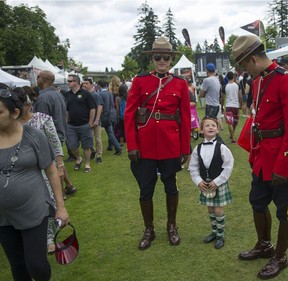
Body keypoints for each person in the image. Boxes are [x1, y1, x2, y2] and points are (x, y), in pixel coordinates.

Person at [232, 34, 288, 279]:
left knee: (285, 210)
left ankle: (280, 257)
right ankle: (264, 245)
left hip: (284, 159)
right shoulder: (258, 81)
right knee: (257, 202)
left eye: (243, 65)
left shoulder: (287, 80)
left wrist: (283, 165)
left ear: (253, 59)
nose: (244, 70)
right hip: (262, 157)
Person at [124, 37, 191, 250]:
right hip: (145, 146)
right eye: (157, 56)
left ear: (171, 59)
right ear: (153, 58)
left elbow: (185, 117)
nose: (162, 60)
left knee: (171, 186)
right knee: (146, 189)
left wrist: (185, 148)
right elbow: (129, 114)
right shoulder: (140, 81)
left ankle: (172, 226)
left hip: (170, 144)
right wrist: (132, 144)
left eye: (166, 57)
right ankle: (149, 229)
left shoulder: (180, 84)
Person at [0, 88, 69, 281]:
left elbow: (52, 171)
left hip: (33, 210)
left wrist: (60, 208)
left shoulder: (33, 136)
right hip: (3, 217)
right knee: (17, 266)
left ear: (14, 113)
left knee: (36, 264)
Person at [189, 117, 234, 249]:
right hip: (204, 184)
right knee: (210, 208)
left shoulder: (222, 148)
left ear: (218, 129)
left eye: (213, 125)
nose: (210, 127)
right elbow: (193, 167)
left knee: (219, 210)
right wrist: (198, 182)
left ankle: (220, 235)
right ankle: (214, 232)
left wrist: (218, 181)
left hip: (218, 183)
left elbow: (228, 166)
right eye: (207, 126)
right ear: (201, 130)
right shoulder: (197, 148)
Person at [34, 70, 77, 195]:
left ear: (45, 80)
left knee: (52, 165)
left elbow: (41, 122)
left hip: (50, 136)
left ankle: (61, 192)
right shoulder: (58, 94)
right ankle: (68, 185)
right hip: (60, 132)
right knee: (58, 161)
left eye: (38, 77)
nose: (36, 79)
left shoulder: (43, 97)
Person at [65, 74, 96, 173]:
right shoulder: (67, 94)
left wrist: (90, 123)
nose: (68, 83)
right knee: (71, 146)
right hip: (71, 126)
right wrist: (66, 122)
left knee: (86, 146)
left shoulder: (85, 93)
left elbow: (92, 108)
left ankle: (87, 164)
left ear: (76, 82)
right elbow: (67, 110)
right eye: (68, 81)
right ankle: (79, 158)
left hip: (84, 125)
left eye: (70, 81)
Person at [82, 78, 104, 164]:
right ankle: (93, 151)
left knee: (98, 139)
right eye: (83, 83)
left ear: (91, 84)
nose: (84, 85)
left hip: (96, 121)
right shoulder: (84, 95)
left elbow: (100, 107)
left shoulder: (95, 95)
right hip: (87, 121)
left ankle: (99, 156)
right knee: (88, 139)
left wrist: (97, 119)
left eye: (86, 83)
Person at [97, 80, 122, 155]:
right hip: (113, 114)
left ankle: (118, 148)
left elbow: (102, 106)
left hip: (107, 115)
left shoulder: (100, 94)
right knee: (111, 132)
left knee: (110, 133)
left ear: (99, 86)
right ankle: (110, 146)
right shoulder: (109, 93)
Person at [223, 71, 242, 143]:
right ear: (234, 77)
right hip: (236, 106)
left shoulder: (225, 86)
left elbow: (223, 98)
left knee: (230, 122)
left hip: (228, 106)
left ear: (227, 77)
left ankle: (232, 136)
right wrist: (240, 104)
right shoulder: (238, 85)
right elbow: (240, 96)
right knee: (235, 122)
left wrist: (222, 106)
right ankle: (232, 136)